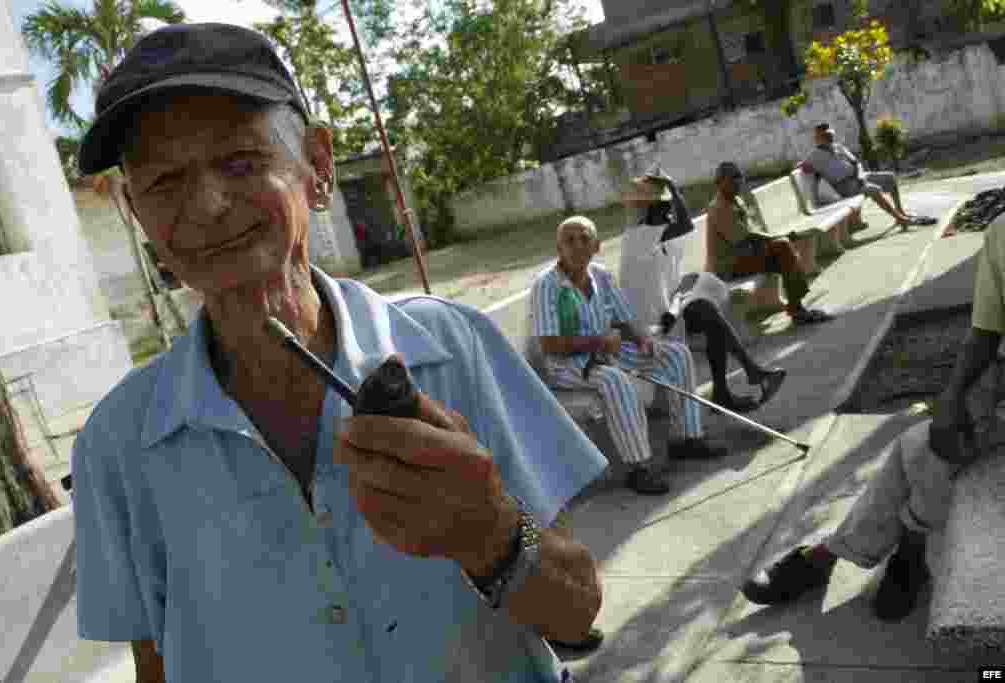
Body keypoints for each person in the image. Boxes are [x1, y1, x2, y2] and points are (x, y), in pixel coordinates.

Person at [72, 23, 607, 682]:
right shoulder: (117, 447)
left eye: (240, 160)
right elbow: (155, 665)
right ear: (137, 216)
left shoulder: (452, 346)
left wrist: (490, 530)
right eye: (165, 182)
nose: (207, 205)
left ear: (318, 167)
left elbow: (577, 612)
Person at [741, 214, 1005, 621]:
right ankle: (861, 555)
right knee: (923, 442)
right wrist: (953, 398)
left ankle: (884, 553)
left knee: (926, 451)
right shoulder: (1001, 231)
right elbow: (986, 331)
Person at [530, 215, 729, 498]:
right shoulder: (547, 285)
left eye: (584, 239)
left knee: (675, 354)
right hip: (567, 363)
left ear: (596, 246)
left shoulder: (601, 275)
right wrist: (599, 341)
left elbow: (624, 320)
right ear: (559, 248)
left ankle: (687, 438)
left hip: (610, 349)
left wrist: (643, 340)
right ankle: (639, 467)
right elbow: (549, 345)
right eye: (568, 241)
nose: (576, 246)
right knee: (615, 381)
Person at [619, 170, 787, 413]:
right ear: (648, 211)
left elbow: (676, 288)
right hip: (644, 328)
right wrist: (672, 185)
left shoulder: (663, 240)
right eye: (663, 207)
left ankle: (732, 386)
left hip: (665, 317)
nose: (670, 212)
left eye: (668, 207)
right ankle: (747, 377)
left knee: (706, 311)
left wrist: (676, 308)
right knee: (707, 314)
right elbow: (685, 222)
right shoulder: (637, 237)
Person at [706, 161, 835, 326]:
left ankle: (797, 308)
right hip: (727, 266)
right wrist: (778, 237)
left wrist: (776, 240)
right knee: (782, 247)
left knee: (784, 251)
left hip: (742, 257)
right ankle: (797, 309)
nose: (738, 181)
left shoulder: (735, 200)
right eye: (732, 178)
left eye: (739, 177)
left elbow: (750, 234)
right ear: (720, 182)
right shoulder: (719, 207)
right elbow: (746, 237)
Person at [801, 123, 936, 230]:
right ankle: (900, 219)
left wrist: (859, 176)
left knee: (890, 177)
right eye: (826, 135)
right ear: (818, 138)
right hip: (845, 186)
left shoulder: (838, 147)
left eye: (830, 134)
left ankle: (900, 211)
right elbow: (803, 167)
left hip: (859, 177)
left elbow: (855, 162)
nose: (830, 137)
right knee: (873, 189)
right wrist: (806, 167)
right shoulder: (815, 155)